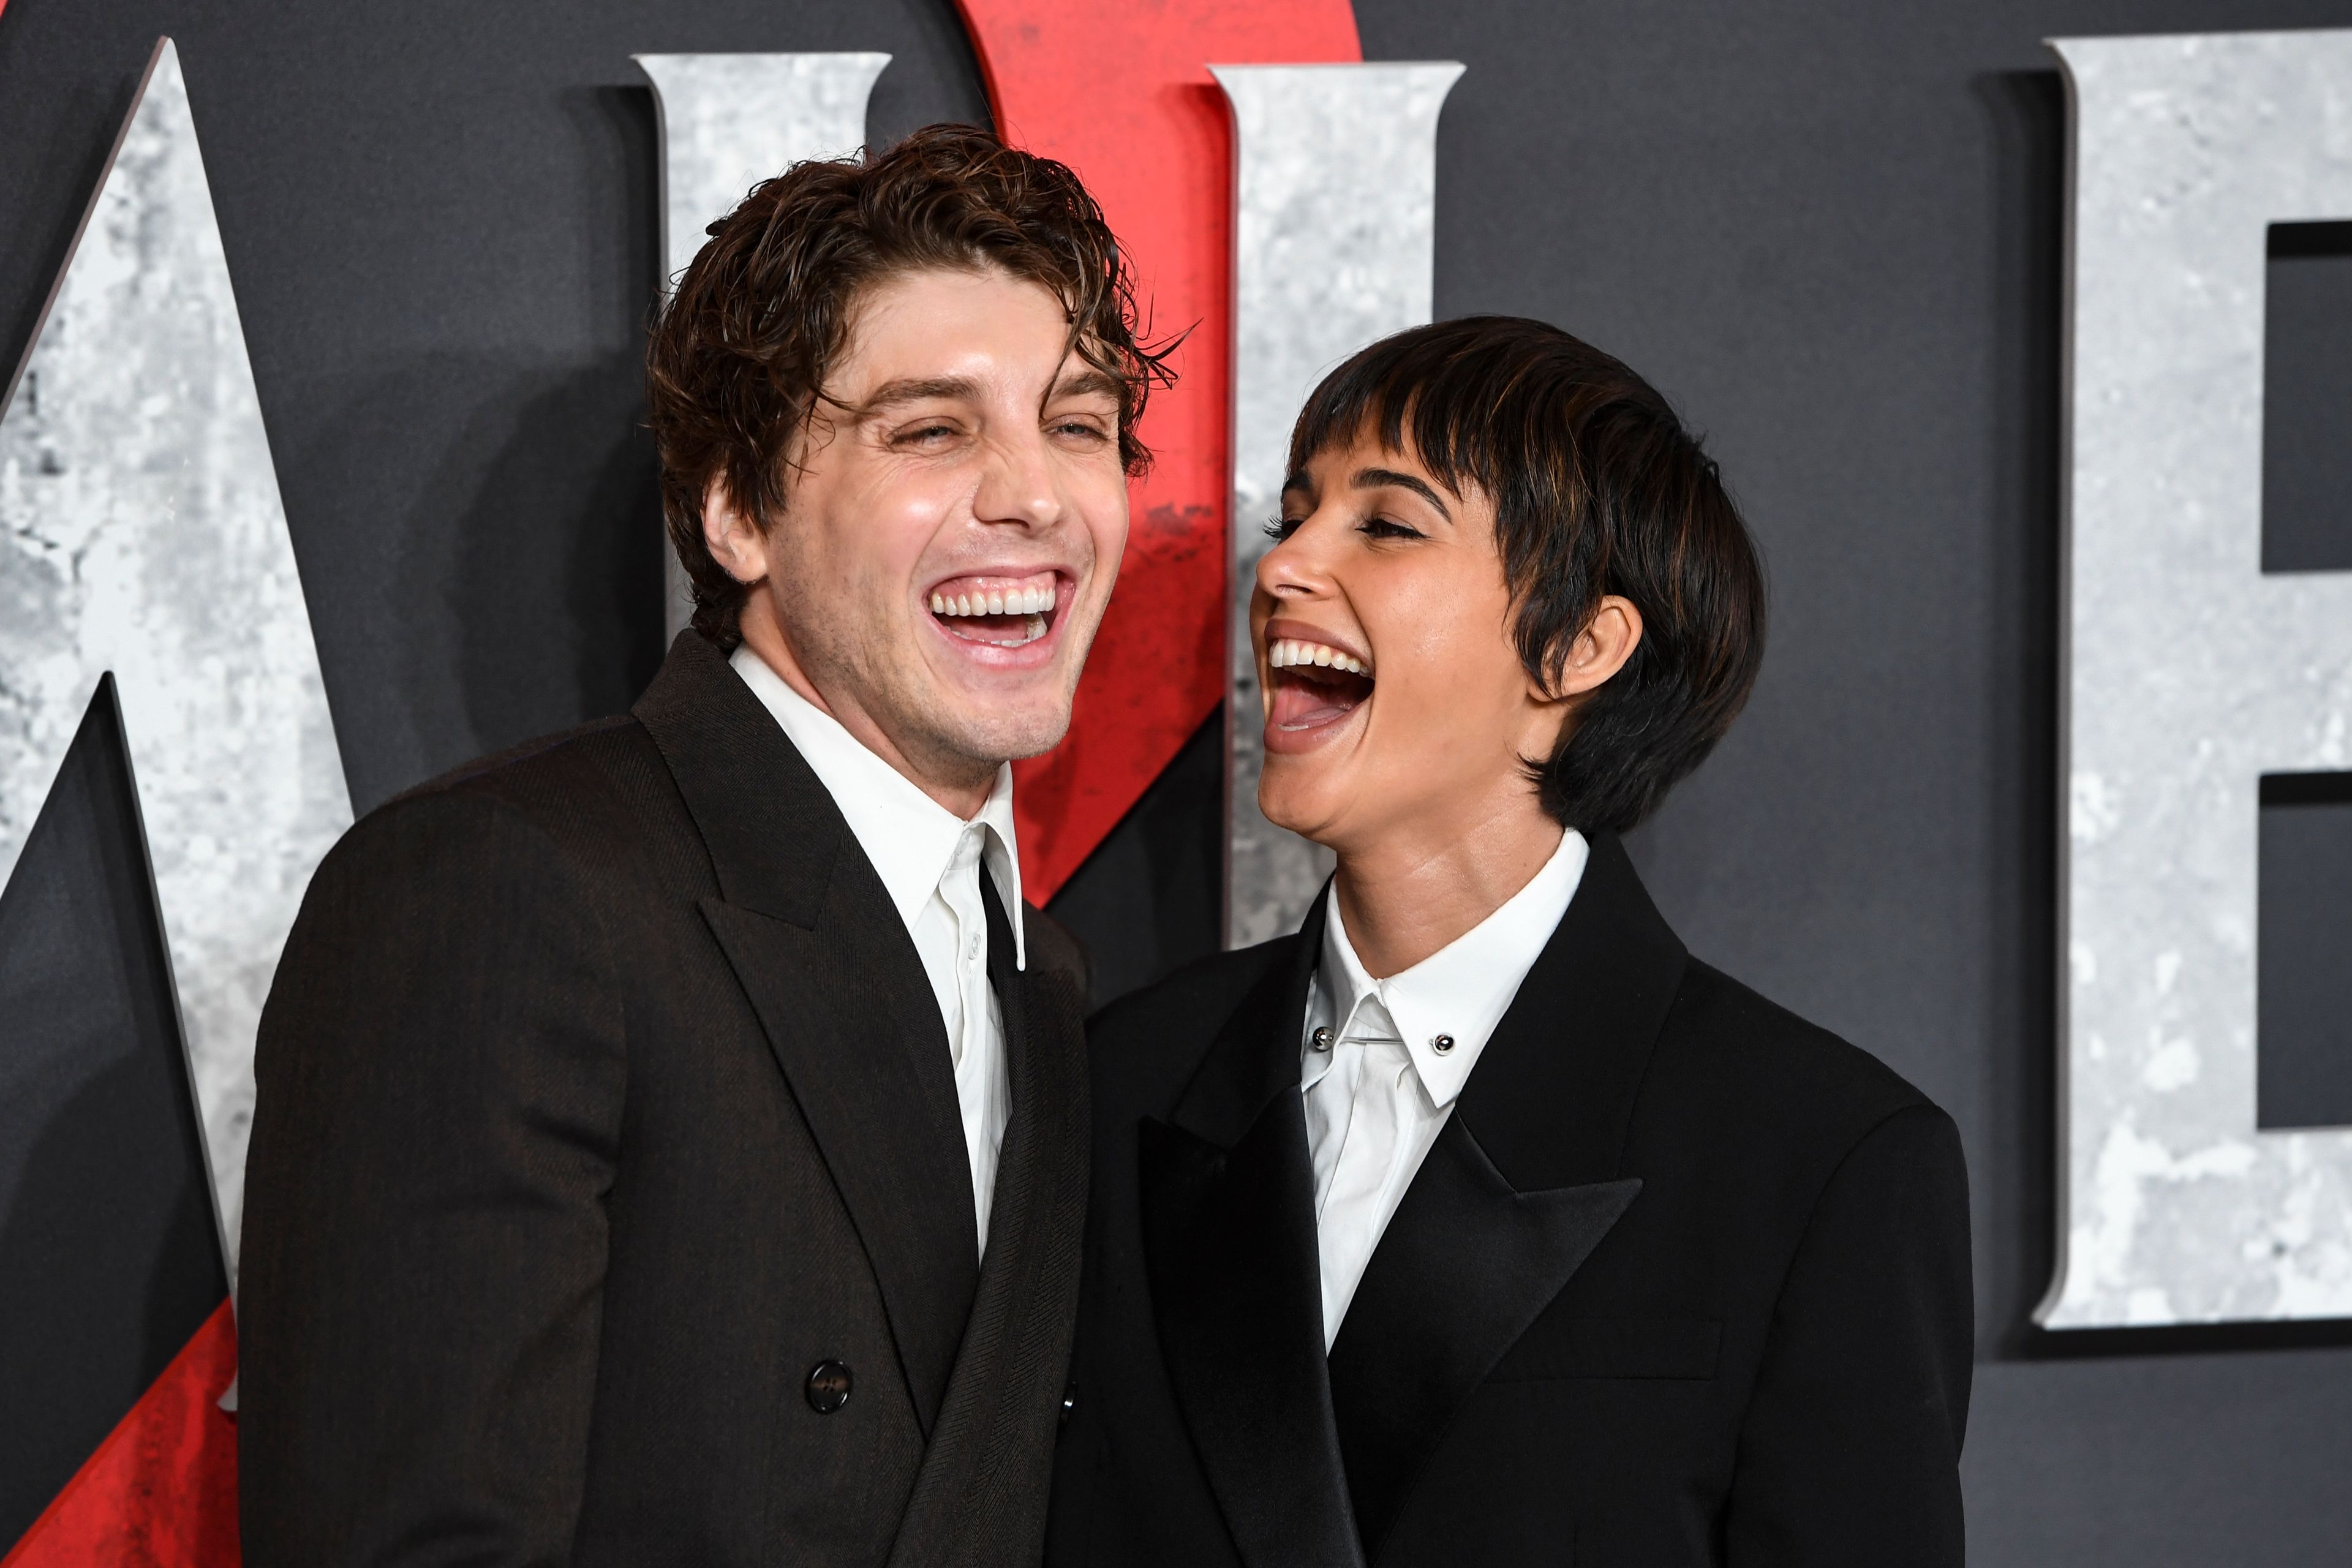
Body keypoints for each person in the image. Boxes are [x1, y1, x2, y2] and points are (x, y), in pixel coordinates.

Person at [239, 124, 1168, 1567]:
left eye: (1080, 424)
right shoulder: (506, 888)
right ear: (739, 507)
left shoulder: (1040, 976)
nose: (1035, 495)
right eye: (931, 428)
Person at [1048, 316, 1972, 1567]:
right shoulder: (1128, 1079)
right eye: (1295, 516)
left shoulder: (1818, 1161)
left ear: (1579, 647)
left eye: (1386, 524)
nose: (1281, 569)